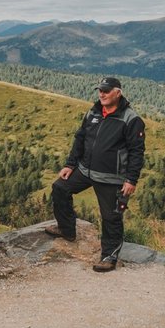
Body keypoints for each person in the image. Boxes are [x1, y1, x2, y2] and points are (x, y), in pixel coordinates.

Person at [45, 77, 146, 272]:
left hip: (111, 177)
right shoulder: (93, 112)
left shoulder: (131, 119)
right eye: (100, 90)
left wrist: (131, 179)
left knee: (111, 216)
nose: (102, 94)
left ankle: (109, 256)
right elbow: (80, 138)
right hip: (84, 170)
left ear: (118, 93)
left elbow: (136, 152)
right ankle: (67, 229)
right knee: (60, 188)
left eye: (106, 91)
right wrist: (70, 164)